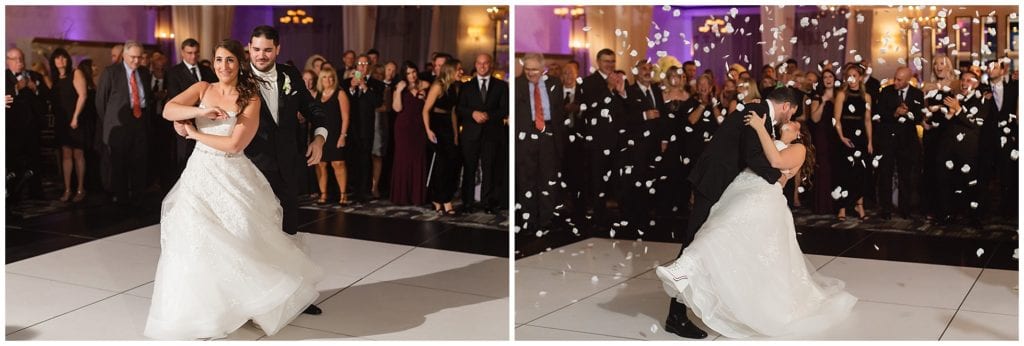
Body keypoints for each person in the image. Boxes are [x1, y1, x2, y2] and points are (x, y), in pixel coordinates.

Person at [146, 38, 323, 340]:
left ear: (239, 63)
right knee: (194, 239)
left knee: (241, 238)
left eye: (229, 60)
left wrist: (192, 132)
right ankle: (205, 310)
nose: (223, 66)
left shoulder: (250, 96)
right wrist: (194, 114)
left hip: (231, 172)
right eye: (218, 60)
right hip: (198, 175)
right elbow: (168, 109)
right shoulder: (203, 89)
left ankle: (255, 302)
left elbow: (234, 144)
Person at [656, 108, 857, 339]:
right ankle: (700, 283)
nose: (790, 122)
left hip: (760, 198)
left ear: (799, 133)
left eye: (794, 123)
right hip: (738, 191)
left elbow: (775, 160)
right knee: (715, 234)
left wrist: (759, 127)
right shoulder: (769, 138)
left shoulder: (798, 149)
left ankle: (683, 270)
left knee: (722, 232)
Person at [660, 87, 801, 339]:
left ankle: (691, 305)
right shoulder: (757, 111)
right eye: (791, 114)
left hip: (721, 182)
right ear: (786, 106)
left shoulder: (759, 113)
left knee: (705, 242)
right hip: (713, 181)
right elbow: (752, 154)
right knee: (695, 243)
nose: (789, 120)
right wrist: (776, 177)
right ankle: (676, 316)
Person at [96, 41, 153, 205]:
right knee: (119, 166)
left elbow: (147, 98)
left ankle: (138, 201)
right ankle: (121, 202)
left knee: (140, 163)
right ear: (124, 56)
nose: (136, 61)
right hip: (119, 125)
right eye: (133, 57)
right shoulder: (111, 72)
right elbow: (101, 102)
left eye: (139, 57)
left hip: (140, 122)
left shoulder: (144, 73)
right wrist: (111, 121)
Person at [516, 53, 566, 232]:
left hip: (549, 134)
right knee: (526, 179)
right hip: (526, 134)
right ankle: (528, 220)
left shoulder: (554, 83)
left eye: (534, 69)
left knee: (548, 178)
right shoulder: (517, 85)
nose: (530, 73)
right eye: (527, 69)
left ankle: (546, 219)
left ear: (543, 68)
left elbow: (560, 112)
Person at [457, 53, 508, 214]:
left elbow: (505, 109)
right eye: (479, 63)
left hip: (492, 134)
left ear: (490, 65)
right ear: (475, 65)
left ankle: (488, 203)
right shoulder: (466, 86)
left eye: (485, 63)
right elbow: (459, 108)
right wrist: (472, 113)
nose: (482, 66)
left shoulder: (501, 86)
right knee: (469, 169)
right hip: (471, 134)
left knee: (490, 170)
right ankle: (468, 203)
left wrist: (488, 116)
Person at [166, 38, 218, 186]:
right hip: (186, 121)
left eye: (196, 53)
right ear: (182, 52)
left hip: (207, 123)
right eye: (189, 53)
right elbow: (175, 98)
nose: (193, 56)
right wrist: (199, 108)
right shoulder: (173, 72)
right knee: (185, 158)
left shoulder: (207, 70)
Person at [874, 67, 924, 219]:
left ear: (908, 80)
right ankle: (886, 209)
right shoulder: (886, 91)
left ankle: (905, 209)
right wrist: (895, 113)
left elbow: (918, 118)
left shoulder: (917, 94)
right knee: (885, 174)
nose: (895, 82)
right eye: (895, 78)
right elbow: (879, 113)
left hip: (907, 142)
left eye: (899, 80)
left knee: (905, 176)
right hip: (888, 140)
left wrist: (908, 113)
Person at [6, 47, 50, 203]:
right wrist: (17, 88)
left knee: (34, 161)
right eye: (15, 59)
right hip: (12, 128)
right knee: (13, 163)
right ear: (7, 61)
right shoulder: (4, 77)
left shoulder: (34, 75)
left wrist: (35, 88)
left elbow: (46, 96)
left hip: (32, 127)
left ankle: (36, 192)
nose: (19, 62)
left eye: (21, 59)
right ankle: (13, 194)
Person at [341, 54, 386, 202]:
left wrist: (364, 87)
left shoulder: (376, 84)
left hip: (367, 127)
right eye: (360, 63)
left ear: (369, 66)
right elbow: (343, 101)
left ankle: (366, 190)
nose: (362, 66)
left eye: (365, 64)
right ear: (356, 66)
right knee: (351, 158)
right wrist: (353, 88)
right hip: (351, 127)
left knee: (366, 159)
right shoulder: (347, 83)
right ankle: (352, 189)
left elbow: (378, 103)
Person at [832, 63, 873, 221]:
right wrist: (841, 137)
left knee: (860, 173)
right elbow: (836, 119)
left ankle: (859, 205)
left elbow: (868, 120)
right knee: (844, 172)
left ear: (860, 78)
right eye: (849, 76)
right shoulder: (842, 94)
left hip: (861, 137)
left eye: (855, 76)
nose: (852, 79)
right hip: (846, 137)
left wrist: (870, 141)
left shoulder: (866, 97)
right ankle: (842, 207)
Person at [49, 48, 91, 202]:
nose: (61, 60)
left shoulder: (76, 73)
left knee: (78, 154)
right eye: (57, 58)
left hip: (76, 119)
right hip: (62, 121)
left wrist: (75, 117)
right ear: (53, 61)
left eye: (63, 57)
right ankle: (67, 189)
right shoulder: (54, 78)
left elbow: (83, 95)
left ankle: (80, 188)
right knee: (66, 155)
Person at [422, 60, 461, 215]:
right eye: (458, 69)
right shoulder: (438, 86)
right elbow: (425, 110)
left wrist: (456, 134)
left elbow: (452, 112)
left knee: (451, 164)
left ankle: (441, 198)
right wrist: (428, 130)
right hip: (436, 126)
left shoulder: (455, 87)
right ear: (451, 70)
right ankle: (443, 200)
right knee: (440, 165)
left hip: (448, 127)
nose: (461, 72)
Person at [390, 61, 429, 205]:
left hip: (419, 126)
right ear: (404, 75)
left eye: (413, 72)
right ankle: (402, 196)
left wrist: (424, 98)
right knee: (403, 159)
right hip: (403, 128)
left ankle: (417, 196)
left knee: (418, 159)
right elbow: (397, 108)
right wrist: (399, 91)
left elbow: (430, 106)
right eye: (408, 73)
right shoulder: (400, 87)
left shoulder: (425, 85)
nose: (412, 75)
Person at [313, 66, 351, 205]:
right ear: (320, 79)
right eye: (324, 77)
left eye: (330, 77)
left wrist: (343, 135)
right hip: (320, 135)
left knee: (338, 163)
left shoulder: (340, 93)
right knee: (321, 164)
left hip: (336, 134)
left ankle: (343, 194)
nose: (327, 80)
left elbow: (346, 117)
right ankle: (323, 194)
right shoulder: (317, 94)